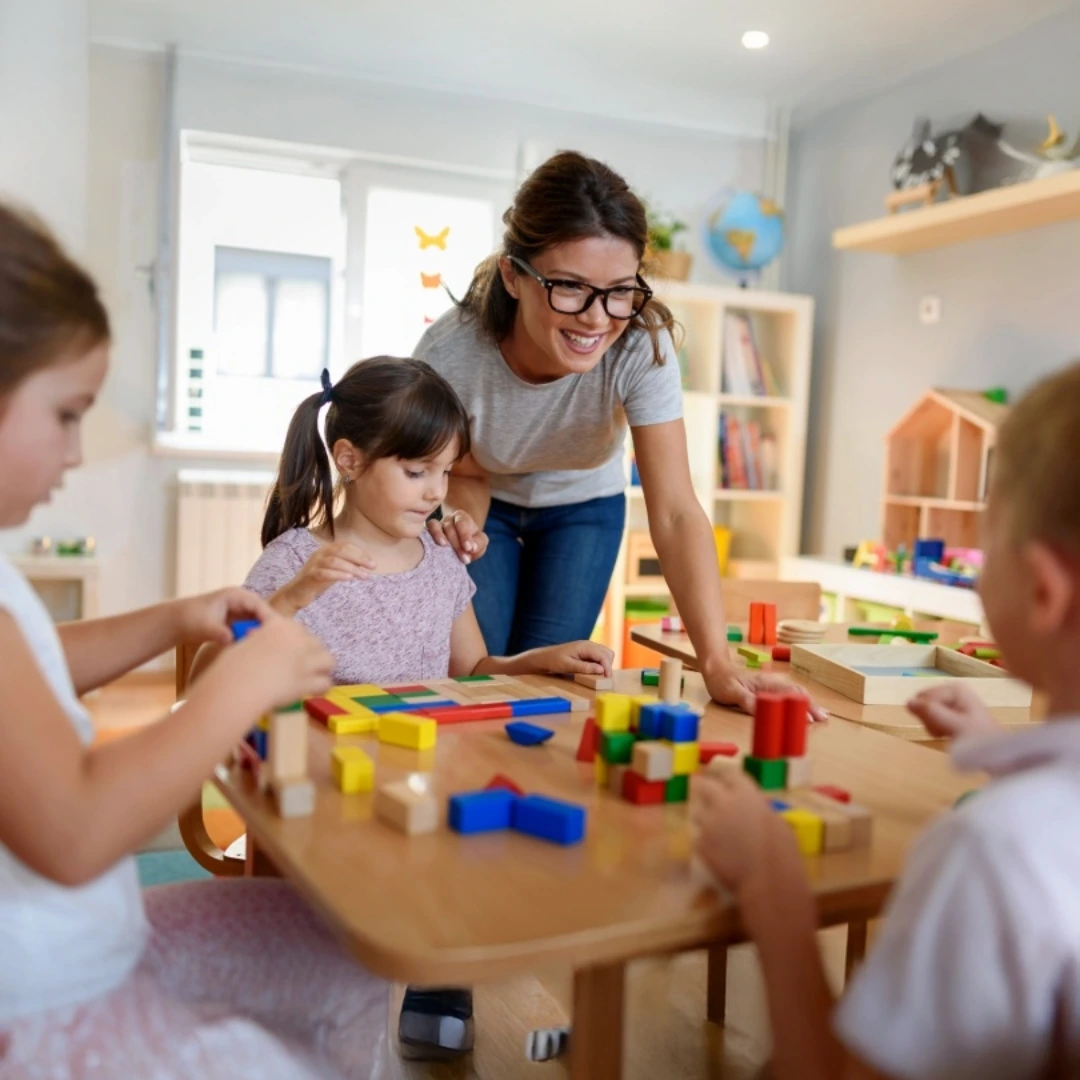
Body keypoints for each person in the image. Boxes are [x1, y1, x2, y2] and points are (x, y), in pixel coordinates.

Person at [0, 203, 389, 1080]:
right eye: (66, 414)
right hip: (42, 1004)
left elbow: (27, 669)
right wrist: (238, 686)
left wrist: (174, 619)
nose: (76, 450)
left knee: (349, 948)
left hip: (87, 946)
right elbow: (76, 830)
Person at [191, 354, 613, 1060]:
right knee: (332, 965)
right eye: (416, 472)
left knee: (487, 832)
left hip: (422, 779)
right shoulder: (294, 559)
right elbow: (207, 681)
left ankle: (435, 979)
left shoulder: (440, 560)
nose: (436, 492)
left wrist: (537, 659)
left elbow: (473, 670)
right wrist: (291, 600)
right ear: (350, 459)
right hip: (327, 790)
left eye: (446, 472)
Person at [692, 361, 1080, 1080]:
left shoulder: (992, 852)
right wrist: (1003, 751)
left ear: (1041, 590)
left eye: (984, 549)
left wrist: (775, 888)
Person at [415, 149, 823, 720]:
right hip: (485, 496)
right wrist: (457, 526)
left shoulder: (639, 348)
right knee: (483, 673)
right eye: (570, 287)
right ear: (513, 274)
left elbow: (677, 511)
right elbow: (466, 470)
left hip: (582, 504)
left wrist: (718, 662)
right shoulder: (452, 354)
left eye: (620, 291)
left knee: (546, 685)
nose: (597, 318)